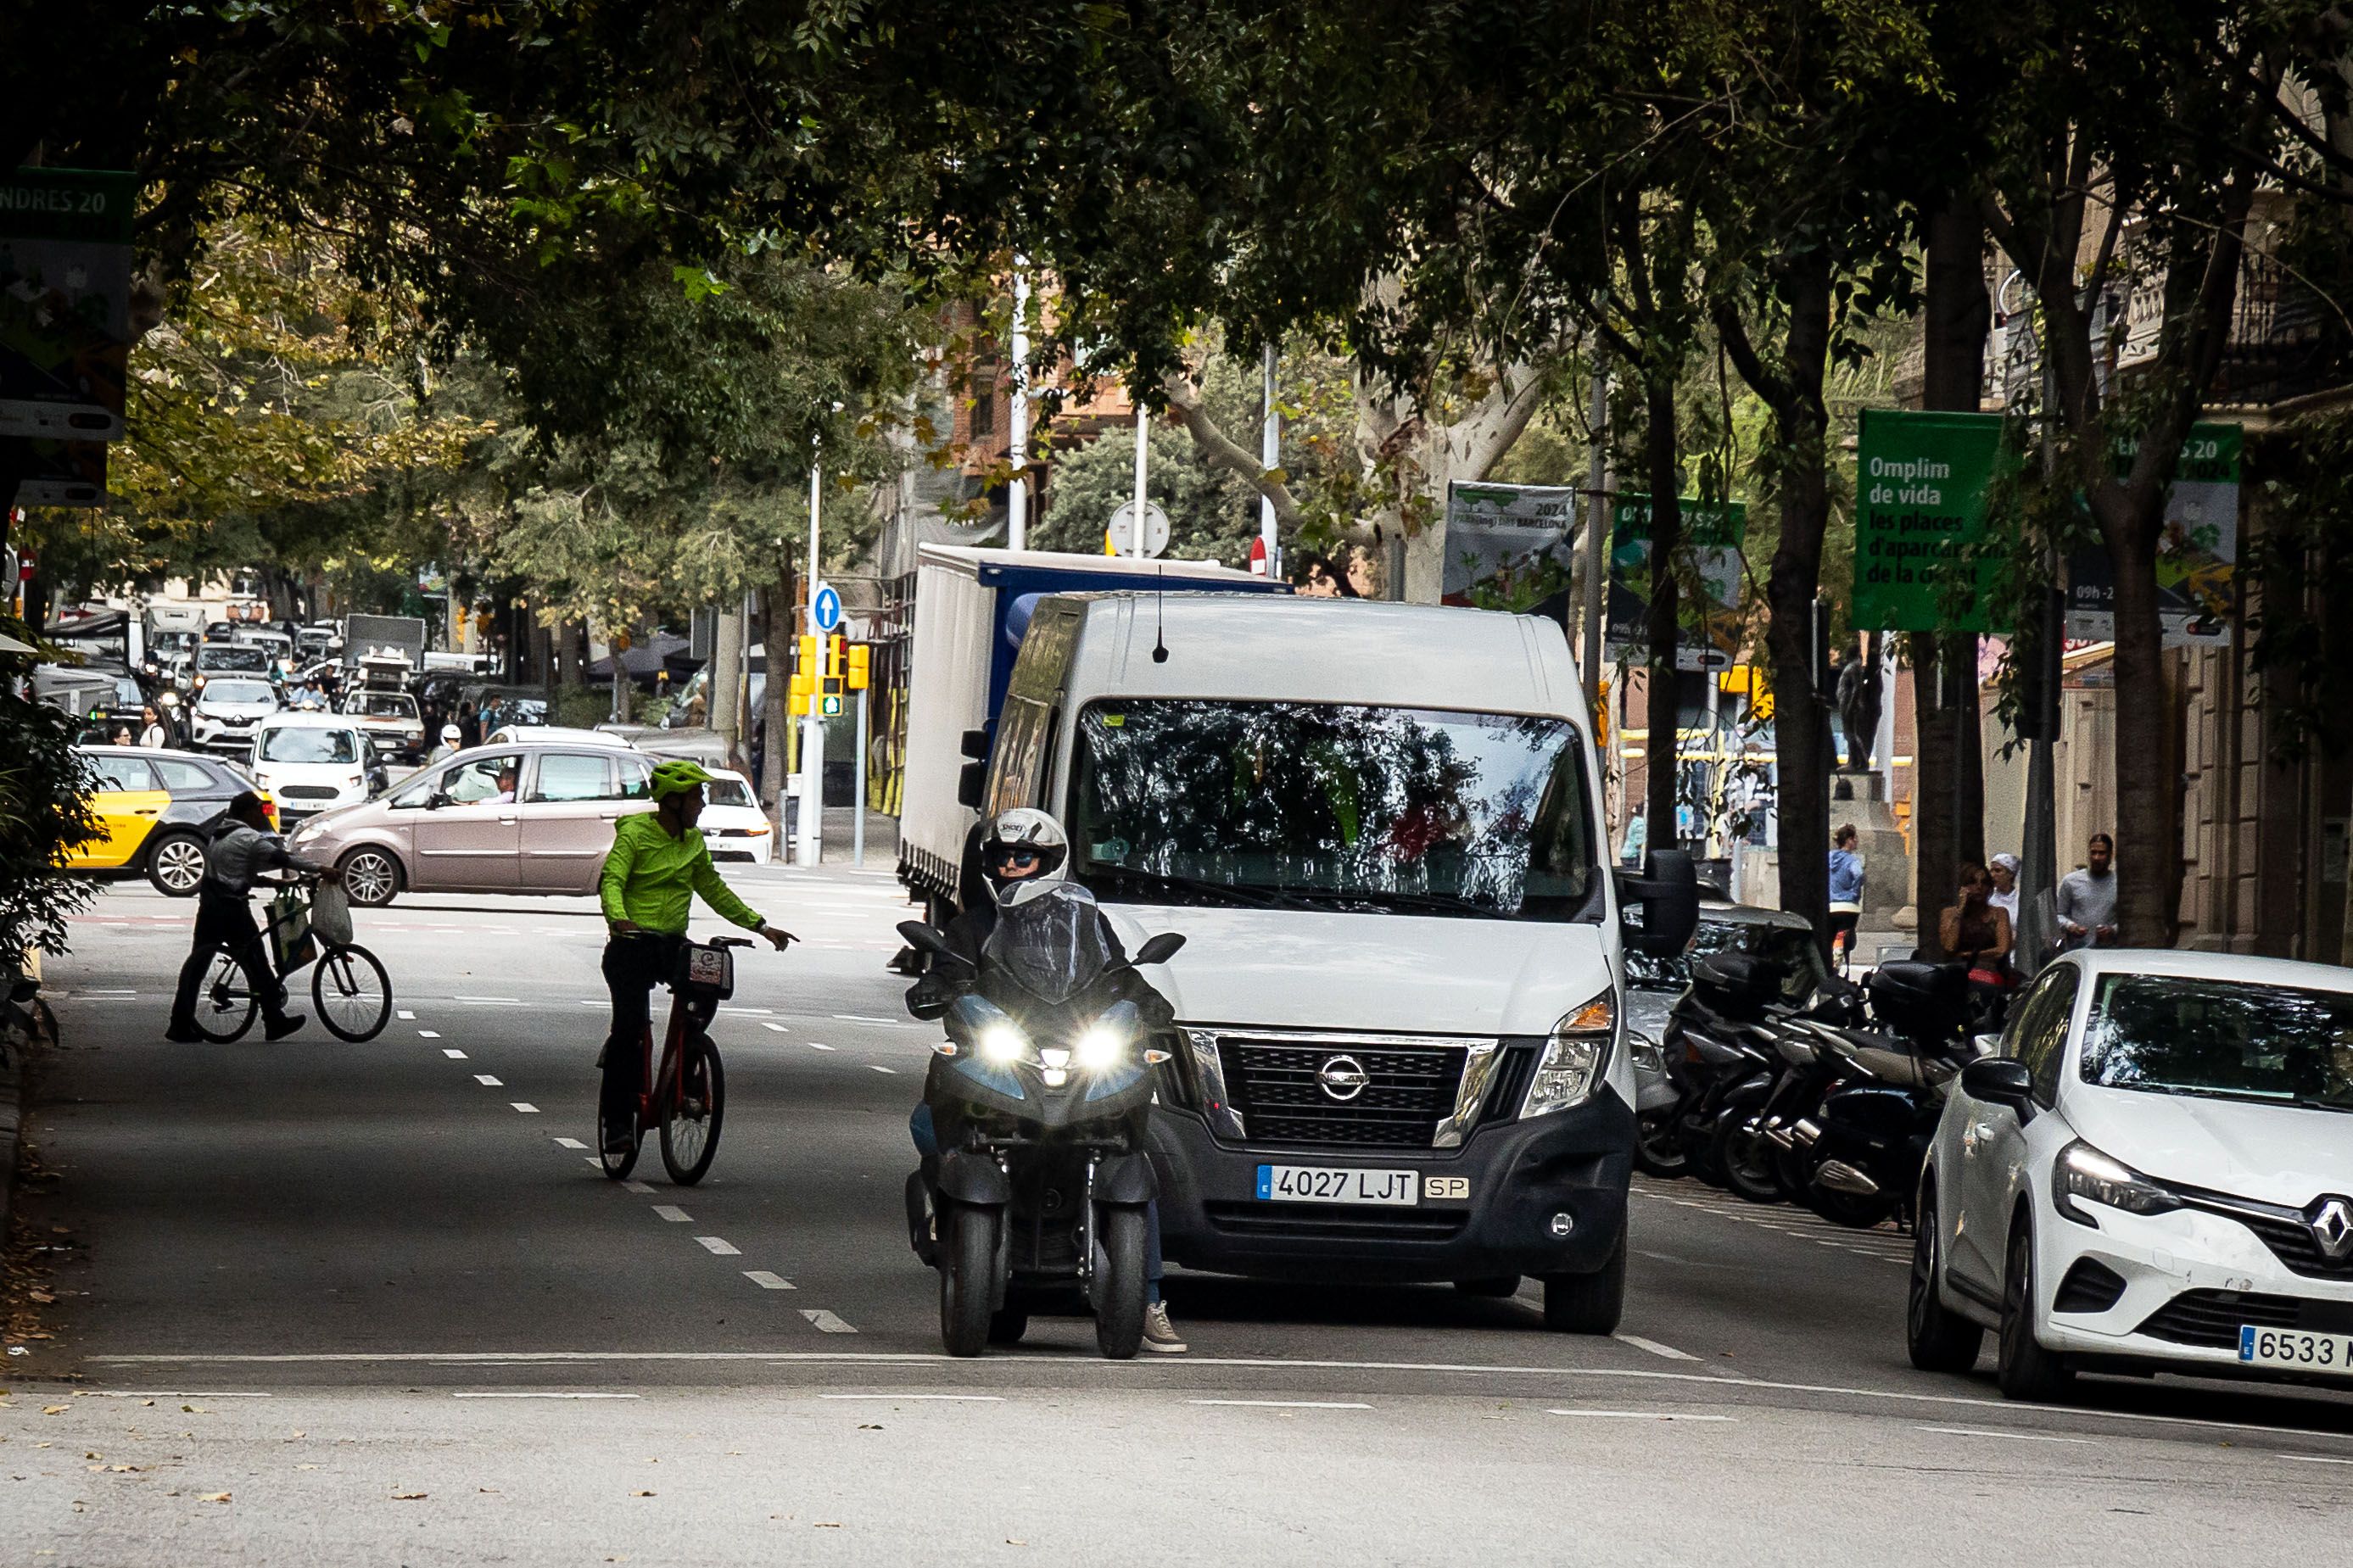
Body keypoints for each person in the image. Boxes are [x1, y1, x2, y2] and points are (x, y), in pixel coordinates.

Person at [904, 808, 1188, 1353]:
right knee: (926, 1125)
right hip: (1004, 1063)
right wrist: (933, 987)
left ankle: (1146, 1298)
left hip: (1081, 1061)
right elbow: (944, 972)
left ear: (1051, 863)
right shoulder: (972, 925)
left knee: (1131, 1155)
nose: (1012, 866)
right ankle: (952, 1226)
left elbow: (1119, 973)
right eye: (1002, 857)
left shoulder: (1087, 924)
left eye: (1024, 857)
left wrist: (1148, 1001)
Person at [597, 760, 795, 1155]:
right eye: (696, 796)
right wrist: (619, 918)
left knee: (704, 995)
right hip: (631, 945)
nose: (702, 804)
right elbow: (613, 880)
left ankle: (686, 1070)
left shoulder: (693, 844)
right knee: (630, 1029)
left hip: (672, 943)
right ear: (671, 801)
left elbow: (714, 889)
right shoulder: (635, 835)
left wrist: (760, 926)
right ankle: (618, 1121)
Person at [165, 792, 323, 1042]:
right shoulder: (248, 837)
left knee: (198, 963)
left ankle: (180, 1023)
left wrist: (275, 882)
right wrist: (324, 869)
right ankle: (274, 1020)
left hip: (210, 905)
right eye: (259, 810)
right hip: (232, 910)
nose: (262, 815)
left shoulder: (219, 833)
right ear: (248, 812)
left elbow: (235, 872)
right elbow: (284, 858)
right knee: (256, 961)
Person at [1940, 862, 2014, 1018]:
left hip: (1994, 973)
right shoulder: (1950, 914)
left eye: (1984, 883)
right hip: (1960, 975)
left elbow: (2002, 949)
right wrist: (1960, 911)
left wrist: (1969, 955)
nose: (1979, 887)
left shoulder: (1999, 913)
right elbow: (1950, 946)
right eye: (1972, 882)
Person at [2057, 832, 2119, 949]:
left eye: (2101, 853)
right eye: (2093, 853)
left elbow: (2129, 921)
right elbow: (2059, 915)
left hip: (2109, 951)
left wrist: (2112, 930)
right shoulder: (2071, 881)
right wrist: (2070, 926)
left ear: (2111, 855)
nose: (2096, 858)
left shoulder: (2119, 883)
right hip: (2077, 951)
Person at [1826, 824, 1864, 968]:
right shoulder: (1852, 861)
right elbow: (1859, 875)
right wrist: (1854, 893)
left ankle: (1829, 963)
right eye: (1855, 838)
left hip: (1831, 905)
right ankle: (1837, 964)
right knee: (1843, 937)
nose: (1857, 841)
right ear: (1848, 840)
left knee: (1830, 935)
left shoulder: (1829, 857)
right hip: (1848, 906)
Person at [1987, 852, 2020, 925]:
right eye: (1991, 871)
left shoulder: (2020, 900)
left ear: (2010, 874)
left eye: (1997, 871)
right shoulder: (1988, 898)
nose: (1992, 875)